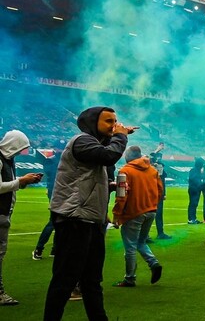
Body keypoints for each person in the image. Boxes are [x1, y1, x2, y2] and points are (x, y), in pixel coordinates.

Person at [43, 106, 133, 321]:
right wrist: (121, 136)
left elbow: (84, 178)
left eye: (115, 121)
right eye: (108, 121)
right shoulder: (82, 140)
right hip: (74, 219)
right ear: (92, 122)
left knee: (92, 280)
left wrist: (108, 186)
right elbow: (109, 156)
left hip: (91, 220)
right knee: (65, 280)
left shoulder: (93, 144)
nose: (114, 125)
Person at [0, 130, 44, 305]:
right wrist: (20, 181)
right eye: (20, 148)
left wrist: (25, 181)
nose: (20, 152)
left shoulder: (7, 159)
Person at [111, 146, 163, 287]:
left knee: (130, 247)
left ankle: (130, 278)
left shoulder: (124, 171)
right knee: (141, 242)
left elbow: (121, 195)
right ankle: (153, 263)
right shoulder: (152, 170)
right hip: (151, 211)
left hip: (134, 213)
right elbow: (160, 190)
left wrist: (116, 214)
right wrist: (152, 204)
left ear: (128, 156)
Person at [148, 144, 172, 240]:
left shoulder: (161, 170)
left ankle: (160, 233)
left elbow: (163, 182)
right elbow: (149, 158)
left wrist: (164, 193)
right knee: (148, 214)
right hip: (151, 193)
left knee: (158, 214)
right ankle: (146, 235)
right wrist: (157, 150)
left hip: (158, 194)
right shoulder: (150, 167)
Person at [187, 157, 204, 224]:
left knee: (194, 204)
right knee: (193, 204)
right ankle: (191, 219)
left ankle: (193, 218)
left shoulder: (195, 170)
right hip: (194, 189)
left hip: (195, 189)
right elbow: (193, 179)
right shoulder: (194, 170)